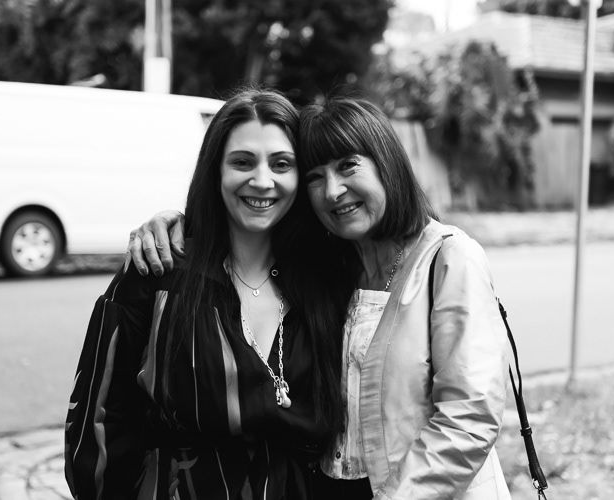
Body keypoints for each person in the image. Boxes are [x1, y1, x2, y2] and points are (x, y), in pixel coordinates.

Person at [126, 94, 513, 500]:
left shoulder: (448, 258)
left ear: (387, 162)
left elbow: (469, 417)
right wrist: (178, 225)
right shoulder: (327, 269)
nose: (332, 191)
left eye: (348, 166)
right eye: (314, 177)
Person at [64, 88, 352, 500]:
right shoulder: (159, 273)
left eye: (281, 164)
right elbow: (100, 418)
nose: (262, 181)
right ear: (214, 170)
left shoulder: (327, 280)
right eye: (242, 162)